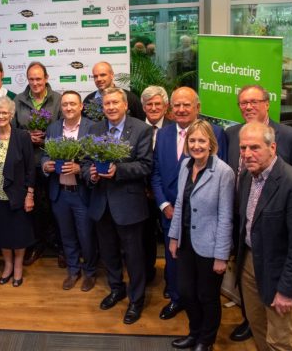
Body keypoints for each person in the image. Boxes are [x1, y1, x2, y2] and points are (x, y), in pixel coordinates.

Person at [225, 84, 292, 342]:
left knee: (279, 340)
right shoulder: (247, 172)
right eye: (244, 149)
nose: (247, 154)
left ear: (272, 148)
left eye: (255, 148)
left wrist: (287, 289)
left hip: (280, 261)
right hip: (250, 257)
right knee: (259, 329)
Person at [152, 86, 227, 321]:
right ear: (170, 108)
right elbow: (155, 173)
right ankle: (177, 298)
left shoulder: (215, 132)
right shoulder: (162, 134)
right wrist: (164, 205)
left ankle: (199, 308)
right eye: (177, 105)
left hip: (204, 218)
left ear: (198, 108)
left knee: (201, 271)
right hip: (171, 215)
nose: (182, 109)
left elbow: (219, 176)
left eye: (187, 105)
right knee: (175, 262)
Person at [82, 87, 152, 325]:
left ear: (125, 105)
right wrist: (90, 174)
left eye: (114, 103)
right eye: (106, 104)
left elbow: (146, 165)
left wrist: (118, 170)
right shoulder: (94, 129)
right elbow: (85, 163)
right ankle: (116, 288)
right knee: (109, 252)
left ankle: (136, 299)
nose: (110, 107)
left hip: (129, 205)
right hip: (101, 204)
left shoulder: (141, 129)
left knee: (134, 256)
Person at [168, 119, 235, 351]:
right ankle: (194, 332)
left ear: (211, 144)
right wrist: (174, 237)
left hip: (210, 246)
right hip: (186, 242)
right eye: (192, 140)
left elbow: (226, 216)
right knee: (186, 292)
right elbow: (180, 203)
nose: (196, 145)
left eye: (201, 141)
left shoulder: (224, 172)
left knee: (207, 296)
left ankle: (206, 340)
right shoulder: (186, 165)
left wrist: (221, 256)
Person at [41, 91, 97, 291]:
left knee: (86, 235)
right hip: (60, 193)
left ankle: (90, 271)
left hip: (82, 193)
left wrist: (79, 169)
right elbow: (45, 155)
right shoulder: (53, 128)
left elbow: (96, 159)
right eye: (65, 104)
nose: (69, 108)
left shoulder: (92, 128)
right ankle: (73, 270)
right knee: (67, 235)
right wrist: (45, 165)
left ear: (81, 106)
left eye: (73, 104)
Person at [0, 96, 35, 287]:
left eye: (4, 112)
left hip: (18, 196)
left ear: (11, 115)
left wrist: (30, 195)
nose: (1, 115)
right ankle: (8, 266)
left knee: (19, 234)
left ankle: (18, 267)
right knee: (2, 234)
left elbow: (30, 168)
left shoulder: (22, 136)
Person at [13, 61, 61, 266]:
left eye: (38, 79)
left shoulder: (58, 100)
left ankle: (60, 245)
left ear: (46, 78)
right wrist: (27, 136)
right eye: (31, 79)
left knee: (55, 205)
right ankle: (38, 244)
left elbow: (64, 128)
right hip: (28, 163)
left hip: (52, 161)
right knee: (34, 207)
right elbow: (12, 131)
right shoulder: (18, 100)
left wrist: (46, 139)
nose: (35, 83)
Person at [140, 85, 172, 283]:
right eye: (149, 104)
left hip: (167, 196)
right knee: (145, 238)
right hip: (140, 195)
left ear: (166, 106)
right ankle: (148, 272)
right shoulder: (134, 127)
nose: (153, 108)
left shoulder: (174, 128)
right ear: (143, 107)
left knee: (170, 239)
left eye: (157, 104)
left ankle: (171, 278)